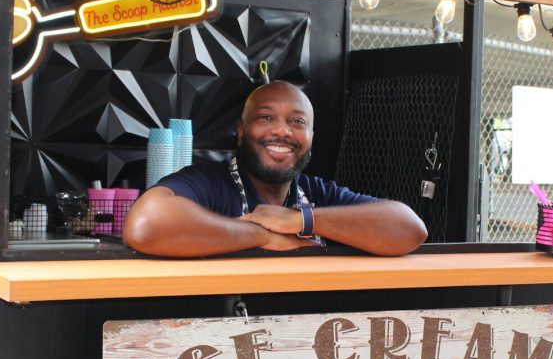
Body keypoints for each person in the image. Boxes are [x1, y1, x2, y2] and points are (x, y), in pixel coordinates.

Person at [124, 81, 427, 257]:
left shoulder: (317, 194)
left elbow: (409, 229)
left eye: (297, 122)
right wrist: (261, 235)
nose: (282, 131)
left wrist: (300, 220)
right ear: (241, 131)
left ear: (311, 138)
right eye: (266, 118)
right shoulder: (208, 182)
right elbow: (146, 224)